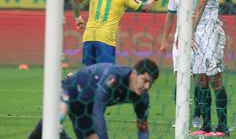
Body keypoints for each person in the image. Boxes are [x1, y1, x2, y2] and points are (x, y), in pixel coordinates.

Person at [28, 58, 160, 139]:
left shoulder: (142, 99)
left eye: (151, 83)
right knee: (55, 120)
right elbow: (98, 112)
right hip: (69, 90)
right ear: (134, 74)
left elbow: (143, 130)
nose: (147, 86)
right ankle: (53, 129)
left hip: (85, 109)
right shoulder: (113, 77)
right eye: (145, 80)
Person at [73, 0, 162, 66]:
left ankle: (72, 79)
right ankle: (72, 78)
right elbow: (145, 8)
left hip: (88, 36)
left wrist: (78, 18)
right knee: (107, 74)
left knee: (88, 75)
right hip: (106, 39)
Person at [190, 0, 229, 137]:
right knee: (200, 78)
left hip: (209, 30)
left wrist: (189, 32)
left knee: (214, 77)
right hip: (197, 31)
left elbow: (201, 4)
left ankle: (222, 127)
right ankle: (206, 126)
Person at [159, 0, 201, 129]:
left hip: (200, 36)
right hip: (180, 38)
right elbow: (170, 16)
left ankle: (197, 115)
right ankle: (180, 117)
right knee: (180, 78)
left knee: (199, 78)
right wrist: (164, 39)